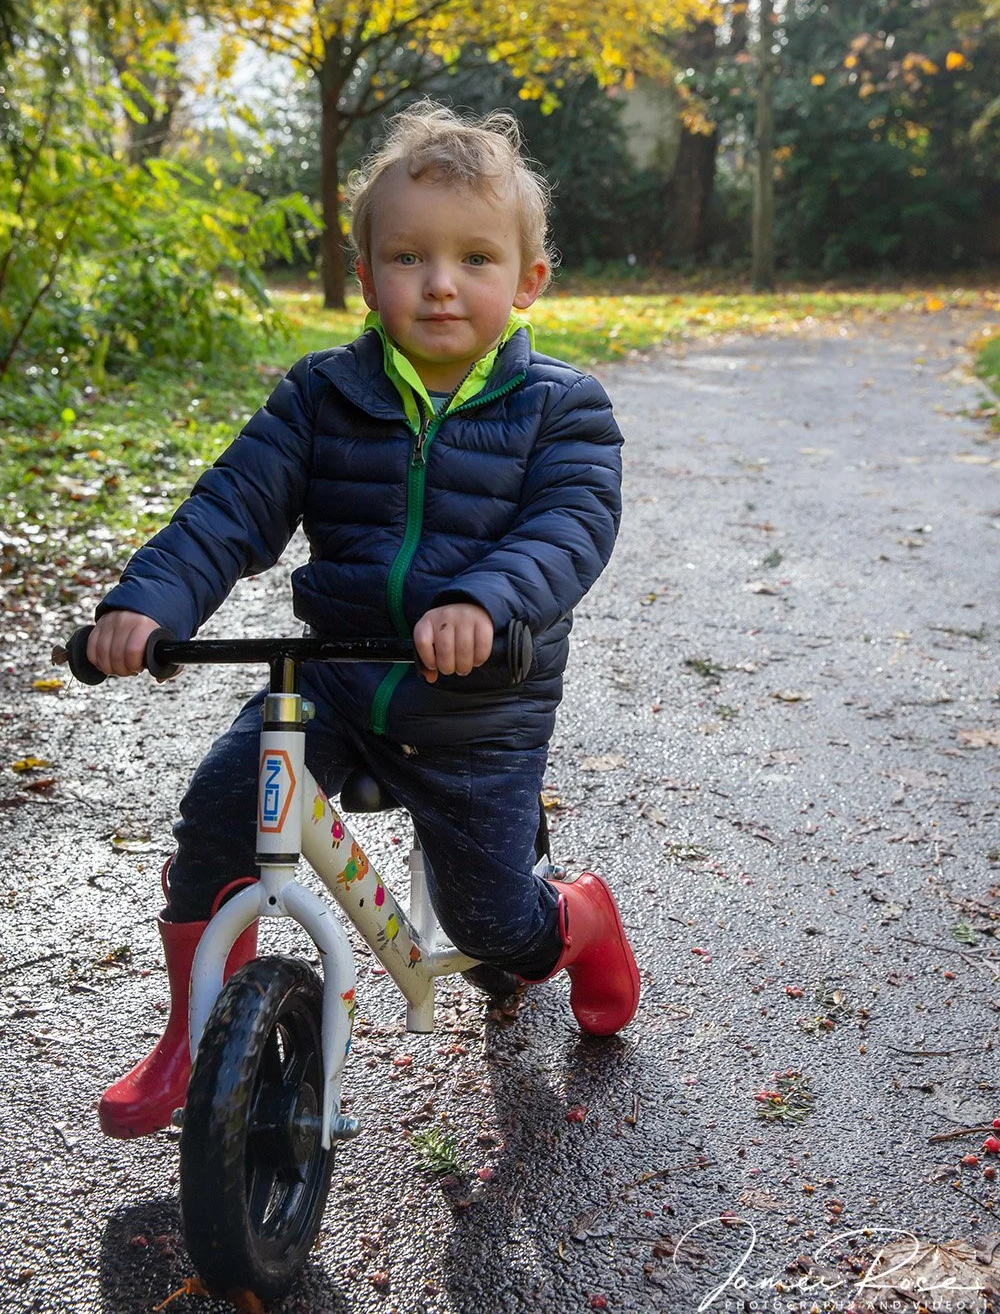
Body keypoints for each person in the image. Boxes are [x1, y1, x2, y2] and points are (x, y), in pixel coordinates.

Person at [87, 102, 640, 1139]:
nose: (439, 283)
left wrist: (485, 600)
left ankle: (580, 916)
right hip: (334, 684)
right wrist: (148, 602)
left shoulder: (563, 409)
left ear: (528, 283)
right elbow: (229, 508)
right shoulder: (320, 396)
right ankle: (189, 1033)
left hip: (480, 704)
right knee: (218, 814)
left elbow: (571, 527)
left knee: (489, 928)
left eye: (475, 257)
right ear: (366, 272)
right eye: (407, 257)